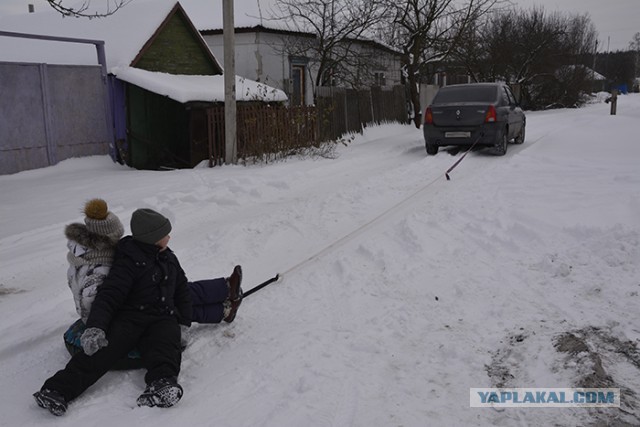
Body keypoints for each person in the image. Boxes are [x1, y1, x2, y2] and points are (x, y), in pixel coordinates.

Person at [34, 207, 243, 415]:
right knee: (99, 353)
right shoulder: (128, 262)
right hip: (130, 318)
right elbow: (109, 296)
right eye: (164, 234)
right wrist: (96, 327)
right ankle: (57, 390)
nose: (169, 237)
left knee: (167, 347)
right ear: (151, 238)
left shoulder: (169, 258)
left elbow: (182, 291)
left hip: (162, 317)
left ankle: (162, 384)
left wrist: (183, 324)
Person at [62, 199, 243, 360]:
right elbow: (99, 301)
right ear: (105, 239)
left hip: (125, 304)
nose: (122, 239)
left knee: (171, 290)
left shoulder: (94, 254)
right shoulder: (94, 268)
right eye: (117, 236)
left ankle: (226, 292)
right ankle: (224, 306)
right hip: (111, 320)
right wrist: (97, 327)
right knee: (167, 302)